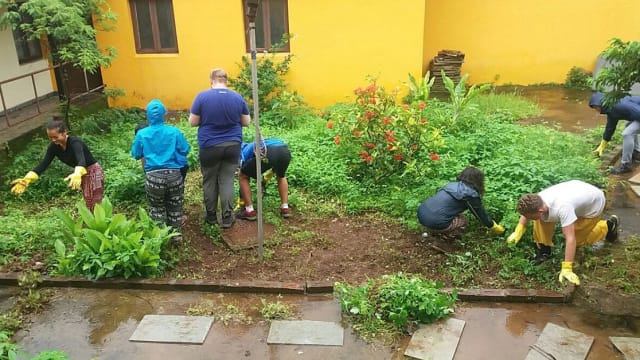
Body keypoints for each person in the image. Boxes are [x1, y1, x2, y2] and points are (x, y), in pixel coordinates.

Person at [506, 180, 619, 286]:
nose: (526, 219)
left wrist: (567, 268)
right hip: (577, 191)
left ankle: (608, 226)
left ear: (540, 211)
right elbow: (528, 212)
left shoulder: (563, 208)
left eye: (529, 217)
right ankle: (545, 250)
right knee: (540, 221)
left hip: (593, 204)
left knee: (578, 240)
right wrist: (518, 230)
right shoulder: (538, 200)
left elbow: (570, 238)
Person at [189, 68, 251, 228]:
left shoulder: (202, 96)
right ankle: (228, 217)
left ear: (211, 80)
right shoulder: (237, 97)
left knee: (209, 180)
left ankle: (211, 216)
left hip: (209, 145)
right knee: (227, 181)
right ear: (226, 80)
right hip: (233, 145)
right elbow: (246, 122)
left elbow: (193, 122)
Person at [10, 118, 104, 210]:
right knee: (88, 199)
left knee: (93, 201)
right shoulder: (53, 147)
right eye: (50, 137)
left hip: (93, 171)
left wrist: (77, 173)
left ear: (64, 133)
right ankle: (93, 222)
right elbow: (44, 164)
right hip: (79, 174)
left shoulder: (75, 143)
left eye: (56, 137)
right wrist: (27, 179)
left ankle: (99, 223)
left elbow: (81, 160)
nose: (53, 140)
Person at [131, 99, 190, 244]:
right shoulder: (174, 131)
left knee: (156, 208)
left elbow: (136, 154)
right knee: (175, 204)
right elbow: (185, 150)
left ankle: (160, 239)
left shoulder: (142, 134)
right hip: (174, 175)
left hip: (153, 177)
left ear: (148, 116)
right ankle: (176, 236)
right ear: (164, 114)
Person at [417, 166, 505, 240]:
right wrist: (494, 226)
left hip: (421, 214)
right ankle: (445, 238)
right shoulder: (470, 195)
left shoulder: (451, 185)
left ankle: (434, 230)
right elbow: (480, 216)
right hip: (435, 221)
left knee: (448, 215)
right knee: (463, 220)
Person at [238, 138, 292, 219]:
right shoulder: (252, 145)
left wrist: (241, 198)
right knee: (281, 176)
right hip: (284, 150)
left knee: (242, 177)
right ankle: (285, 207)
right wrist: (265, 180)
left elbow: (246, 175)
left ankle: (249, 211)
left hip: (267, 151)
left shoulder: (243, 152)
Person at [589, 92, 640, 174]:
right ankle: (637, 152)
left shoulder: (619, 105)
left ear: (601, 103)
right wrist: (603, 144)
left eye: (596, 107)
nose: (597, 111)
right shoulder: (611, 107)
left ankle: (625, 165)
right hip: (637, 114)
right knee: (629, 126)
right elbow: (610, 127)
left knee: (627, 133)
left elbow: (637, 111)